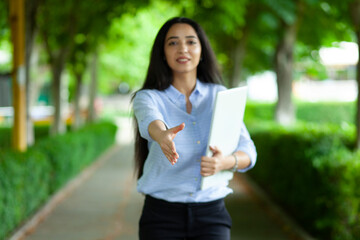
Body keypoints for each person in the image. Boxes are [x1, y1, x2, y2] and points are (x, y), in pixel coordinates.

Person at [132, 17, 257, 240]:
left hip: (211, 215)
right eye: (172, 43)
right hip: (161, 217)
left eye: (191, 42)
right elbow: (150, 120)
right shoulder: (148, 97)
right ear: (162, 52)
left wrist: (224, 162)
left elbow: (249, 152)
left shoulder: (221, 95)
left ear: (202, 50)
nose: (183, 49)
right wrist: (162, 135)